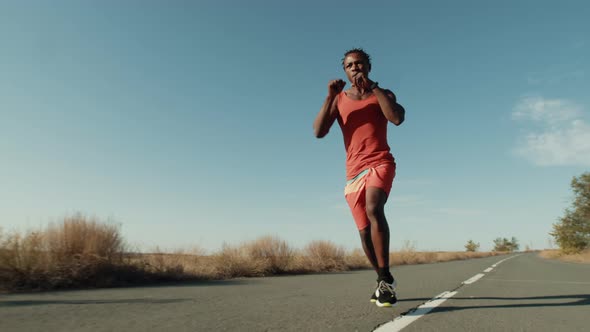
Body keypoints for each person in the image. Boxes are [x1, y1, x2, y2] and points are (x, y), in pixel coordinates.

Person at [313, 48, 405, 307]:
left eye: (360, 64)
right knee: (364, 231)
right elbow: (319, 132)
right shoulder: (339, 100)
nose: (355, 68)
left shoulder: (383, 94)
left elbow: (397, 118)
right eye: (350, 65)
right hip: (354, 172)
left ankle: (385, 279)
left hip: (380, 162)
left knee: (374, 208)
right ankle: (382, 279)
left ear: (368, 67)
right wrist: (330, 96)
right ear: (345, 70)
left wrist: (374, 88)